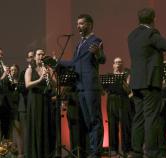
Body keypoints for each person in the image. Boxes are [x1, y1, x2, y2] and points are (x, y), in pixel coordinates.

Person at [127, 8, 166, 157]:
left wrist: (158, 52)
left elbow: (145, 54)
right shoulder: (151, 33)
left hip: (136, 83)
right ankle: (151, 151)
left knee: (139, 117)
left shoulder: (132, 35)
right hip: (150, 82)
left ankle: (136, 151)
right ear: (153, 19)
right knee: (151, 117)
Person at [58, 14, 105, 157]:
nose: (78, 26)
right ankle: (91, 150)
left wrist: (98, 53)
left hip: (90, 86)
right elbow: (74, 62)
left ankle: (95, 153)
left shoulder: (95, 40)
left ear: (90, 24)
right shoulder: (79, 44)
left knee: (94, 120)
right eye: (77, 24)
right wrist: (56, 62)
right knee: (87, 121)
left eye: (82, 23)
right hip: (80, 87)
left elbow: (102, 59)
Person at [24, 49, 55, 158]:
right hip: (34, 99)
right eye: (39, 54)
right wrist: (40, 79)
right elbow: (27, 85)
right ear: (35, 57)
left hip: (45, 99)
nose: (41, 56)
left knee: (46, 124)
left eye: (42, 54)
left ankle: (46, 153)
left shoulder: (48, 68)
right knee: (36, 124)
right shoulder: (30, 69)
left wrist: (50, 78)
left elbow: (55, 84)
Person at [105, 57, 133, 156]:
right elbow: (105, 91)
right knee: (112, 125)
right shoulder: (109, 76)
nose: (118, 64)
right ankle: (113, 149)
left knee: (125, 125)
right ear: (113, 65)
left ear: (122, 64)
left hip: (123, 100)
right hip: (112, 101)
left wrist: (122, 79)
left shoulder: (126, 75)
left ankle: (126, 148)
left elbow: (128, 90)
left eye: (120, 62)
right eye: (116, 62)